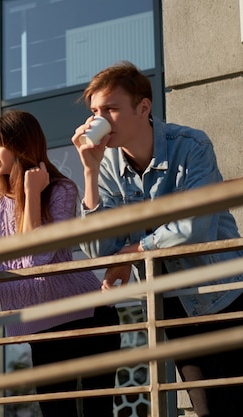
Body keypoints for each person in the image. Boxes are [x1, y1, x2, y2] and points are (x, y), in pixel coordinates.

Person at [73, 60, 243, 417]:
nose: (98, 120)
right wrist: (89, 173)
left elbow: (193, 228)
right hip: (174, 308)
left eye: (111, 109)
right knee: (211, 409)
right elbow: (99, 252)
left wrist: (134, 251)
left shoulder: (191, 146)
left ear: (144, 108)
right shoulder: (105, 166)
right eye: (94, 112)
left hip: (226, 295)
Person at [0, 110, 120, 417]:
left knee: (96, 411)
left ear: (20, 144)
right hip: (39, 326)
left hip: (87, 316)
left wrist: (31, 195)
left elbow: (37, 259)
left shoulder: (61, 190)